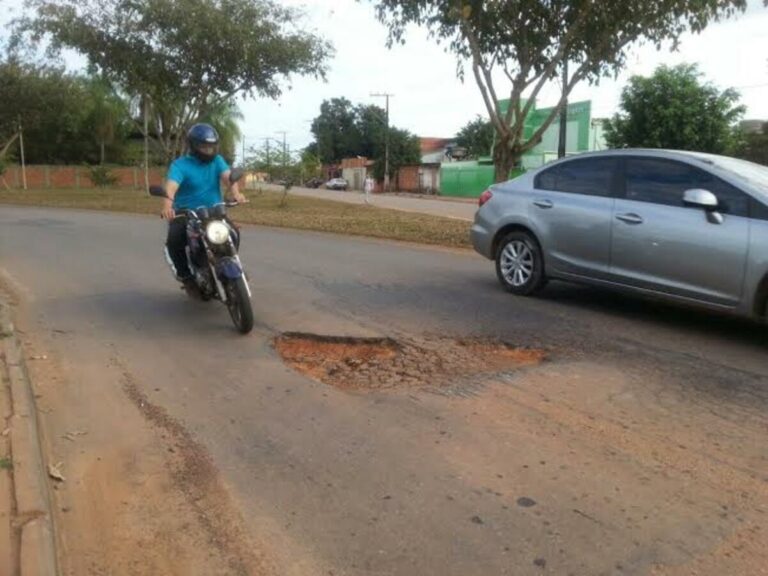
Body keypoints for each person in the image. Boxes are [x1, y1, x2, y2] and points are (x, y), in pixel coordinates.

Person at [160, 123, 247, 289]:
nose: (209, 151)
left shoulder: (217, 161)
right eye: (205, 147)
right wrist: (167, 206)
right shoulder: (180, 165)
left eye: (212, 147)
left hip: (214, 211)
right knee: (174, 240)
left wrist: (236, 193)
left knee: (233, 232)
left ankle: (231, 263)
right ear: (193, 146)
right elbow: (171, 188)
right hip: (186, 214)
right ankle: (185, 276)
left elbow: (229, 177)